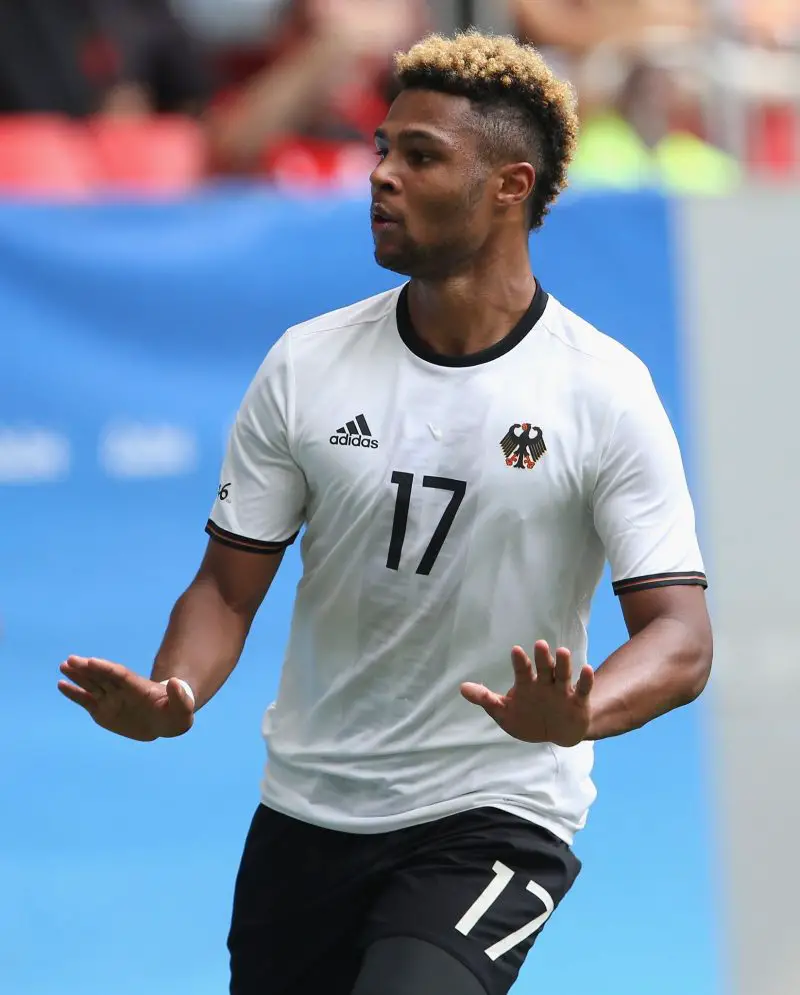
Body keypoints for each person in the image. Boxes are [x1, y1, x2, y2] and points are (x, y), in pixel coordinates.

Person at [57, 30, 713, 995]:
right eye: (381, 148)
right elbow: (227, 591)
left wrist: (581, 712)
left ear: (511, 186)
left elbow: (682, 638)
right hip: (307, 813)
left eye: (421, 156)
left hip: (495, 812)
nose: (381, 176)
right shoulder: (306, 363)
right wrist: (175, 691)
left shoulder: (603, 389)